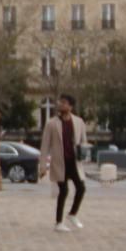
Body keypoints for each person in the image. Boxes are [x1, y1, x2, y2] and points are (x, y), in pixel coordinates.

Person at [39, 91, 87, 231]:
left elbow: (84, 141)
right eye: (60, 102)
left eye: (64, 103)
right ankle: (59, 222)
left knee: (81, 188)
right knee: (64, 191)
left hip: (74, 162)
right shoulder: (51, 123)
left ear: (70, 107)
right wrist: (43, 166)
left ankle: (72, 214)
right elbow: (45, 146)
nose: (60, 104)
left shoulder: (78, 122)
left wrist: (83, 152)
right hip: (59, 163)